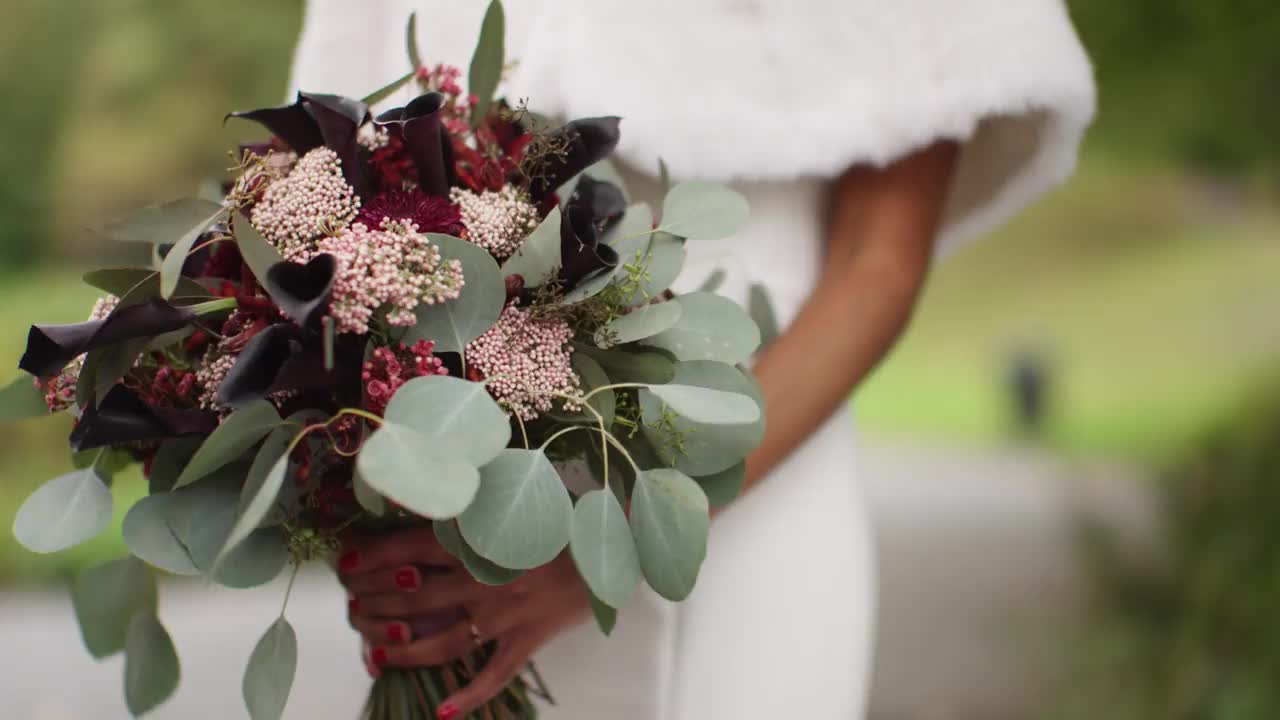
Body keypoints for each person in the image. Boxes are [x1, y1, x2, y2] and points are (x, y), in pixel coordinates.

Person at [290, 1, 1095, 717]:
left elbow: (875, 263)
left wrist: (609, 551)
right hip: (473, 522)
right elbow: (341, 192)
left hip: (751, 479)